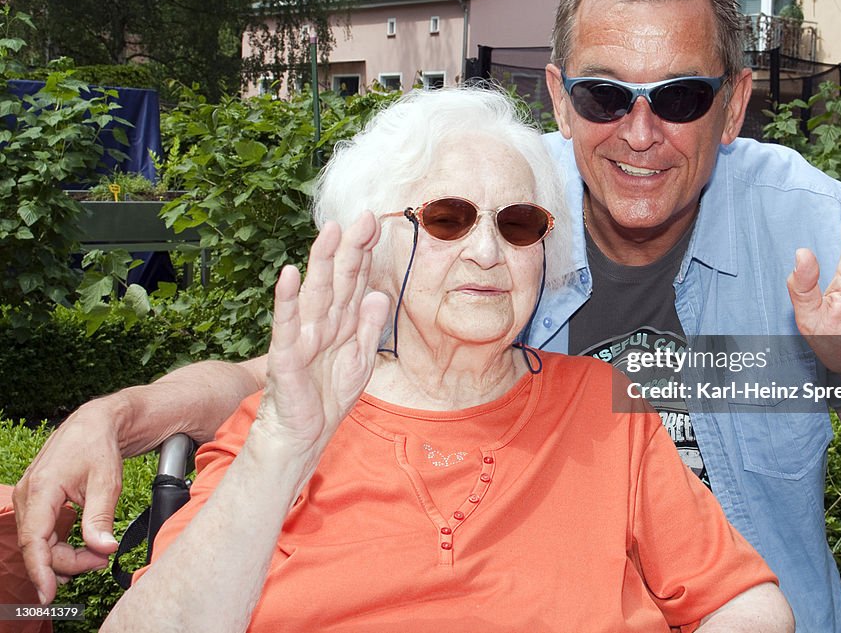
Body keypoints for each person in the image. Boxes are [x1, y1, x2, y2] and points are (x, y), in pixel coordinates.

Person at [14, 0, 841, 632]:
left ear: (732, 108)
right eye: (605, 95)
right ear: (558, 97)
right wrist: (125, 412)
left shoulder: (808, 230)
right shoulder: (505, 192)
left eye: (681, 98)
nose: (640, 134)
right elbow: (309, 374)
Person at [94, 87, 792, 632]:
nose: (488, 251)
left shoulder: (604, 409)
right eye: (448, 218)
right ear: (373, 245)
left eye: (518, 223)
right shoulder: (279, 424)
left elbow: (749, 604)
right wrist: (281, 446)